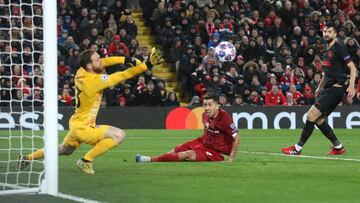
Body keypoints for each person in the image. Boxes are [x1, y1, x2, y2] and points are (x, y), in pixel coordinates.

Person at [18, 48, 162, 174]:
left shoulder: (81, 72)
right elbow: (123, 75)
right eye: (97, 60)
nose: (101, 61)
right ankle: (86, 160)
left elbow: (105, 62)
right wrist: (147, 64)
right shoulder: (96, 81)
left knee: (64, 149)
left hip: (76, 122)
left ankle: (27, 158)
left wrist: (126, 58)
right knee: (119, 135)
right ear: (89, 65)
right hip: (84, 128)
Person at [282, 22, 357, 156]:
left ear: (334, 34)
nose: (326, 34)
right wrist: (320, 87)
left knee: (311, 115)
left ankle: (297, 148)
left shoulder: (339, 47)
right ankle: (338, 147)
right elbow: (326, 73)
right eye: (325, 31)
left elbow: (353, 67)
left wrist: (351, 86)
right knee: (319, 119)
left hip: (335, 89)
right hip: (329, 89)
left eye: (329, 31)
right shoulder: (326, 51)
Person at [135, 92, 240, 162]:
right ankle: (163, 159)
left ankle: (150, 159)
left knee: (187, 154)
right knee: (178, 148)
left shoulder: (224, 118)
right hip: (203, 142)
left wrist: (231, 158)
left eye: (210, 105)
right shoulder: (204, 115)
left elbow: (237, 138)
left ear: (217, 106)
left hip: (215, 152)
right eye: (205, 104)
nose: (206, 108)